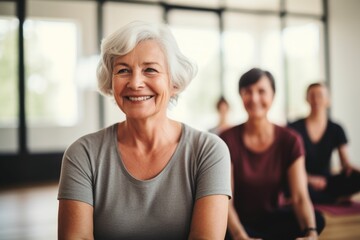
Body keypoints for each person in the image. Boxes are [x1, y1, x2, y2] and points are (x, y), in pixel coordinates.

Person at [57, 21, 232, 240]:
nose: (135, 83)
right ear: (110, 82)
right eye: (123, 70)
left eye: (150, 69)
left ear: (173, 82)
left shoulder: (209, 151)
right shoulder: (83, 155)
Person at [220, 68, 324, 240]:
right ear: (240, 96)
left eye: (261, 91)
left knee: (317, 221)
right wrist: (241, 237)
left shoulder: (290, 139)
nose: (254, 98)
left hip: (274, 219)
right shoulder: (227, 139)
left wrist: (311, 233)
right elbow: (226, 201)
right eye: (247, 92)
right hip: (239, 223)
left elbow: (299, 196)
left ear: (273, 96)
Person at [288, 82, 360, 204]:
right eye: (312, 95)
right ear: (307, 99)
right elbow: (288, 163)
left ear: (328, 100)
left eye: (320, 95)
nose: (316, 99)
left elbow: (345, 164)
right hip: (302, 179)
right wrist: (309, 179)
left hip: (326, 181)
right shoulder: (294, 127)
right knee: (291, 184)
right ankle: (333, 200)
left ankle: (322, 199)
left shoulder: (336, 128)